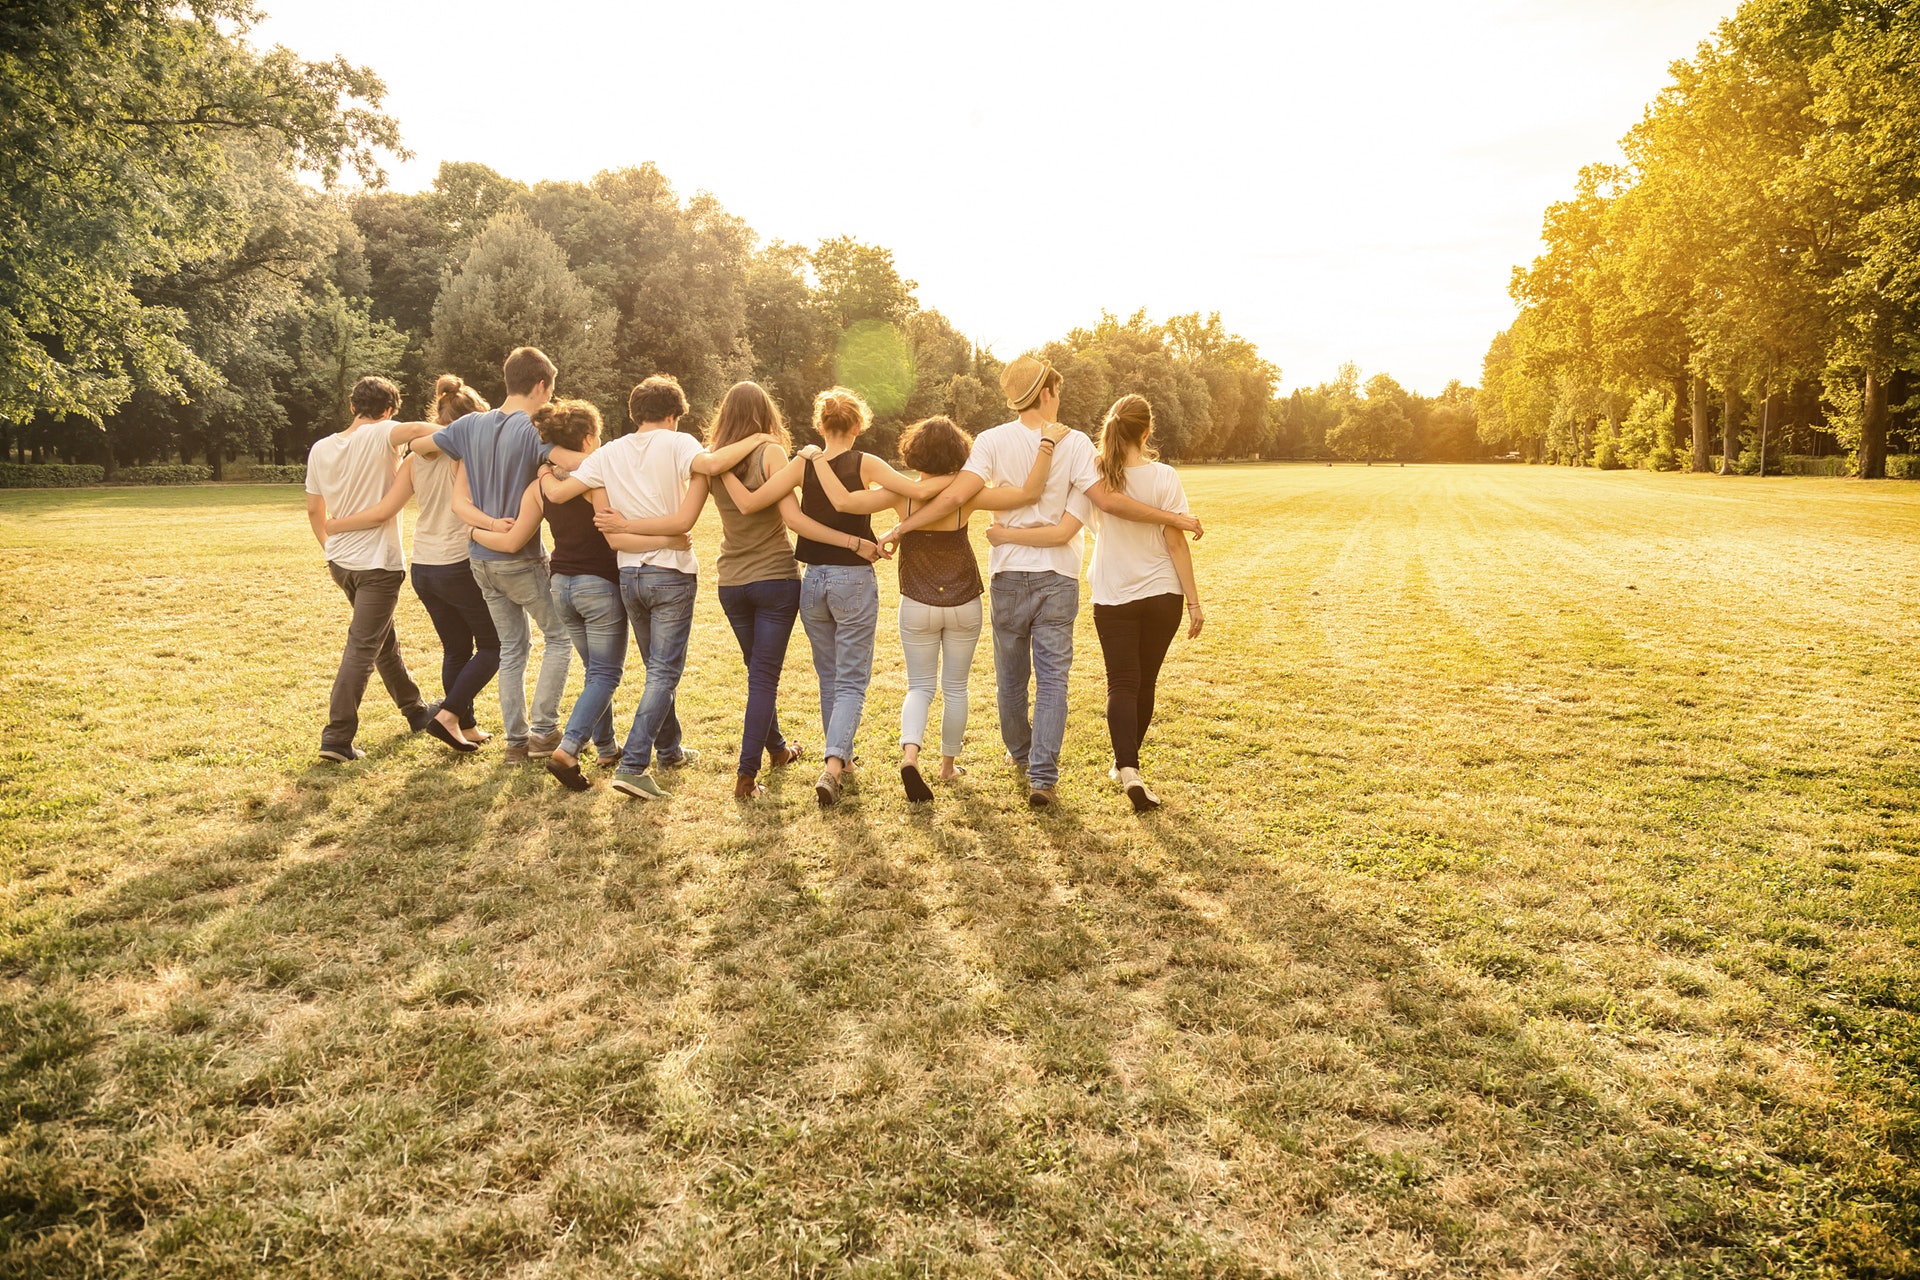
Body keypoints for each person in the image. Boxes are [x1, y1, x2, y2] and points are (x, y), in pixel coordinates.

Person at [878, 355, 1201, 807]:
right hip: (1057, 575)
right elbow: (1108, 502)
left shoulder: (990, 441)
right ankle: (1042, 778)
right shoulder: (1073, 444)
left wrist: (900, 528)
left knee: (1011, 677)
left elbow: (954, 494)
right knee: (1053, 680)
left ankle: (1022, 755)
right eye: (1058, 391)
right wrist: (1175, 519)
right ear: (1047, 392)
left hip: (1008, 572)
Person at [539, 375, 775, 801]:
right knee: (664, 672)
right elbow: (713, 464)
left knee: (656, 671)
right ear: (674, 415)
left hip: (629, 574)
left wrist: (544, 468)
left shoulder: (608, 452)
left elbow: (558, 493)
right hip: (670, 573)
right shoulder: (679, 443)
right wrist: (759, 434)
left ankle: (667, 749)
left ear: (634, 413)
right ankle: (633, 764)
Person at [806, 414, 1064, 802]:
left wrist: (817, 459)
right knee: (955, 687)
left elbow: (846, 501)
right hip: (963, 600)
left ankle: (911, 755)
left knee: (919, 686)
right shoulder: (969, 494)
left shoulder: (900, 494)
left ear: (914, 453)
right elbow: (1029, 493)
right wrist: (1046, 446)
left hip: (916, 601)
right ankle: (946, 766)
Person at [453, 399, 689, 792]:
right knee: (605, 674)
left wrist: (475, 532)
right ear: (587, 438)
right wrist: (671, 538)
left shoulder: (539, 485)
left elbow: (513, 538)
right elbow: (616, 534)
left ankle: (607, 746)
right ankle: (568, 748)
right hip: (598, 587)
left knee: (595, 672)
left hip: (560, 586)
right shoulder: (597, 481)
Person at [989, 395, 1203, 811]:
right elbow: (1176, 543)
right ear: (1147, 431)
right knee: (1145, 682)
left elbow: (1086, 514)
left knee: (1123, 680)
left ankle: (1128, 767)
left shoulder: (1097, 475)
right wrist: (1194, 601)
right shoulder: (1164, 477)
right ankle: (1127, 766)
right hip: (1164, 593)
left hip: (1114, 592)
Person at [704, 381, 885, 800]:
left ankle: (783, 750)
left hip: (731, 580)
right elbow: (793, 519)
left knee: (767, 676)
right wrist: (855, 542)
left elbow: (710, 506)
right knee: (771, 679)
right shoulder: (770, 452)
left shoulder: (711, 461)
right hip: (775, 577)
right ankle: (766, 774)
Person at [325, 374, 503, 754]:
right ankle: (450, 714)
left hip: (425, 567)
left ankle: (465, 726)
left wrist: (337, 524)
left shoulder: (412, 459)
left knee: (456, 648)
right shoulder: (468, 455)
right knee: (494, 644)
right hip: (458, 563)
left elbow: (385, 509)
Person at [428, 347, 583, 764]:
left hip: (479, 558)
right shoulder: (535, 430)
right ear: (541, 386)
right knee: (559, 637)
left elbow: (426, 442)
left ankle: (516, 742)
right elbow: (579, 462)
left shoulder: (469, 425)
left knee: (513, 647)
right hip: (522, 557)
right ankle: (544, 732)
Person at [302, 375, 439, 762]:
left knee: (382, 642)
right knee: (363, 647)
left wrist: (330, 547)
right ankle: (337, 737)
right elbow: (424, 430)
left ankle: (415, 712)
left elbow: (315, 510)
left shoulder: (321, 447)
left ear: (351, 407)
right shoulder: (385, 433)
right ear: (390, 410)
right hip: (377, 564)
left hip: (341, 562)